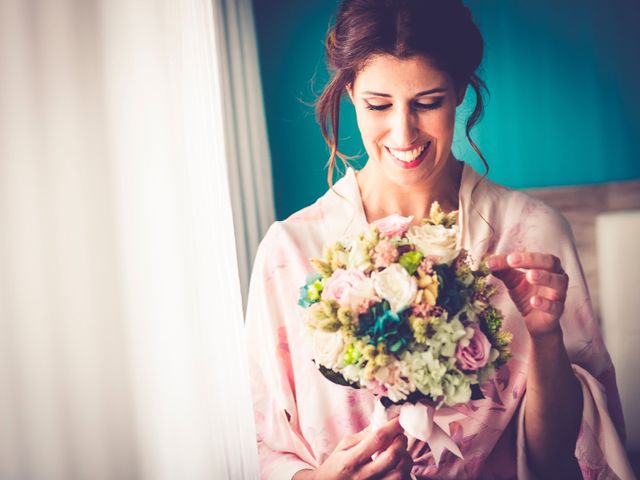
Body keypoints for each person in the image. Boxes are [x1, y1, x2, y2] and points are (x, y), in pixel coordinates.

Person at [245, 0, 634, 478]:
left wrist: (545, 336)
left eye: (428, 102)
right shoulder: (289, 252)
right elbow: (267, 446)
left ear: (460, 92)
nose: (403, 133)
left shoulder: (533, 233)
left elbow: (555, 458)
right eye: (378, 105)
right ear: (349, 93)